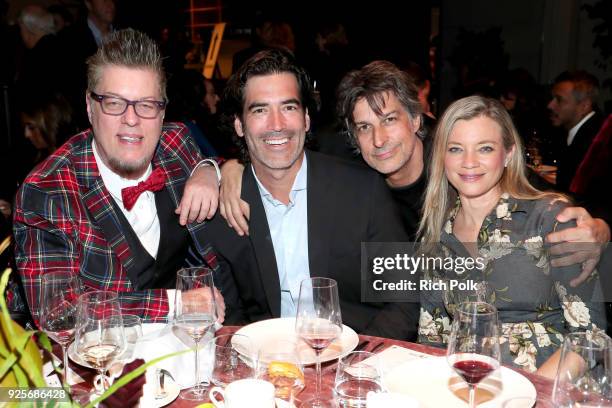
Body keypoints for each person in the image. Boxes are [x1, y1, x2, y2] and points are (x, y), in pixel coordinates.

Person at [220, 61, 609, 285]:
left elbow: (534, 191)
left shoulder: (459, 162)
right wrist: (228, 168)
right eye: (364, 127)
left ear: (416, 118)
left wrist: (601, 228)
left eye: (389, 119)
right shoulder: (352, 163)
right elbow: (276, 147)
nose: (379, 139)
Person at [13, 29, 224, 323]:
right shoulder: (47, 191)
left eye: (146, 104)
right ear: (90, 106)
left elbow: (228, 165)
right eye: (114, 103)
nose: (131, 119)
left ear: (162, 113)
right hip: (101, 362)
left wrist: (212, 170)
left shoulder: (177, 145)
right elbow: (58, 312)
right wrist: (176, 304)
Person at [205, 48, 417, 340]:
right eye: (260, 110)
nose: (277, 124)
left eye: (289, 107)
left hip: (355, 361)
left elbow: (404, 300)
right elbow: (230, 317)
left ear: (305, 118)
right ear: (239, 125)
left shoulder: (362, 191)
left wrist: (355, 363)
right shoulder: (223, 208)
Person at [417, 95, 606, 378]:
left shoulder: (552, 220)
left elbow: (589, 337)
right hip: (468, 387)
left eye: (485, 148)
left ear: (507, 154)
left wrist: (531, 394)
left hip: (549, 389)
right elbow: (432, 340)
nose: (469, 162)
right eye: (455, 149)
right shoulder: (436, 237)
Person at [548, 70, 605, 192]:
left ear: (584, 106)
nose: (550, 105)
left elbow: (573, 196)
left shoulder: (595, 142)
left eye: (559, 99)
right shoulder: (585, 132)